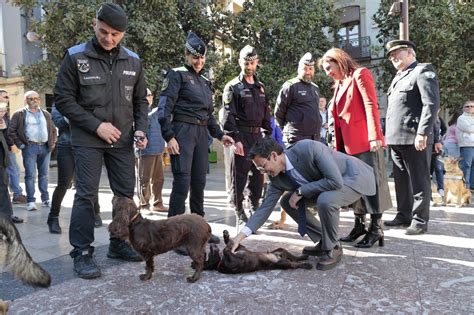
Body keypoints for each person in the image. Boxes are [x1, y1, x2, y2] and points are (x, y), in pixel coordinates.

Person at [54, 3, 148, 279]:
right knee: (86, 194)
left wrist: (140, 130)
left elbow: (141, 101)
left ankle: (119, 243)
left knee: (124, 196)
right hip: (87, 139)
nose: (109, 38)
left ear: (123, 34)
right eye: (104, 31)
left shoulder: (134, 61)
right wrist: (97, 126)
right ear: (94, 24)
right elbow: (63, 100)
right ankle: (82, 252)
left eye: (116, 34)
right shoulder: (75, 57)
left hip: (122, 140)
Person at [230, 137, 376, 270]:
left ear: (274, 156)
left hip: (351, 177)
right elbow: (264, 209)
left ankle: (333, 247)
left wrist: (301, 191)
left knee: (325, 200)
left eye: (262, 166)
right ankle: (325, 240)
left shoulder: (308, 148)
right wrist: (239, 237)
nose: (262, 172)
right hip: (328, 186)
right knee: (286, 202)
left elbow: (334, 181)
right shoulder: (276, 179)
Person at [158, 32, 234, 248]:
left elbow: (209, 115)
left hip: (201, 136)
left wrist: (220, 135)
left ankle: (199, 230)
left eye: (202, 58)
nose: (199, 61)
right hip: (182, 132)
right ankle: (174, 236)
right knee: (182, 184)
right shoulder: (176, 75)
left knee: (199, 184)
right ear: (186, 55)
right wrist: (169, 136)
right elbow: (164, 109)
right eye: (194, 57)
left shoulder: (205, 81)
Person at [318, 48, 392, 248]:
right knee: (354, 185)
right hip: (346, 146)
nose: (328, 73)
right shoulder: (339, 84)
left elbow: (370, 104)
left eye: (329, 67)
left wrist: (375, 135)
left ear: (339, 61)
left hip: (365, 142)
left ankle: (376, 228)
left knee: (374, 184)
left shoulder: (360, 74)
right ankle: (359, 225)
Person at [383, 40, 440, 235]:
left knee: (419, 180)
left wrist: (423, 132)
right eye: (391, 56)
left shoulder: (422, 72)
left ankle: (419, 220)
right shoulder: (398, 77)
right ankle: (404, 214)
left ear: (410, 53)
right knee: (401, 181)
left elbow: (430, 104)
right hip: (396, 139)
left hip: (415, 137)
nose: (393, 58)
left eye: (397, 53)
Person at [222, 45, 272, 223]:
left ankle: (254, 206)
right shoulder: (233, 87)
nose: (249, 66)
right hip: (241, 137)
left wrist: (268, 136)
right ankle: (239, 210)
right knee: (239, 177)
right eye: (246, 63)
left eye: (252, 63)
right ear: (239, 62)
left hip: (258, 138)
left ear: (257, 63)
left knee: (258, 176)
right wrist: (236, 140)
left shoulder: (260, 87)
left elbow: (266, 114)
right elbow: (228, 116)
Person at [47, 105, 102, 234]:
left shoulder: (87, 100)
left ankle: (95, 212)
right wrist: (74, 110)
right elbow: (60, 123)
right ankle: (53, 217)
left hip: (87, 145)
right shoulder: (59, 104)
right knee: (64, 183)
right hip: (67, 146)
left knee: (90, 182)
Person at [8, 91, 57, 211]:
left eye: (37, 98)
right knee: (30, 176)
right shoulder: (19, 114)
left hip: (45, 147)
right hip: (30, 147)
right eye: (31, 99)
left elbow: (53, 130)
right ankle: (30, 201)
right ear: (26, 100)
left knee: (44, 175)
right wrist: (21, 145)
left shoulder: (46, 114)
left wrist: (53, 142)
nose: (35, 100)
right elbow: (11, 131)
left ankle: (45, 199)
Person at [274, 52, 321, 144]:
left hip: (315, 138)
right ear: (299, 69)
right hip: (296, 138)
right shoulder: (290, 86)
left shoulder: (315, 88)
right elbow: (279, 113)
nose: (308, 72)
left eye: (310, 69)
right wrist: (287, 131)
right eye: (305, 69)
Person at [137, 88, 167, 212]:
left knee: (159, 179)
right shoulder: (140, 112)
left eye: (150, 95)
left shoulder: (155, 112)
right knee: (144, 179)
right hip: (146, 152)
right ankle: (144, 205)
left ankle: (157, 203)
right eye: (146, 95)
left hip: (158, 150)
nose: (148, 97)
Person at [0, 89, 27, 205]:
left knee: (11, 170)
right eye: (5, 97)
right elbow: (6, 130)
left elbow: (7, 130)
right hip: (5, 147)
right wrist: (12, 145)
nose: (8, 99)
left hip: (6, 146)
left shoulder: (4, 111)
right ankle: (16, 194)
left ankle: (15, 193)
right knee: (13, 170)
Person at [0, 102, 23, 223]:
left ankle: (7, 216)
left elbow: (7, 135)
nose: (2, 113)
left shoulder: (4, 120)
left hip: (2, 158)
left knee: (3, 187)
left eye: (3, 111)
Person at [456, 100, 474, 191]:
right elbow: (468, 128)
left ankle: (472, 186)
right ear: (463, 108)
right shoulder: (461, 118)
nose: (470, 108)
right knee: (466, 165)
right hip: (467, 145)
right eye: (467, 106)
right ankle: (464, 186)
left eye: (472, 106)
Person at [430, 114, 446, 199]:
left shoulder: (438, 118)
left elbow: (444, 129)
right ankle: (429, 192)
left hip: (436, 148)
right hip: (428, 147)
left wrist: (439, 140)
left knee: (439, 169)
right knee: (429, 171)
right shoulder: (429, 117)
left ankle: (441, 188)